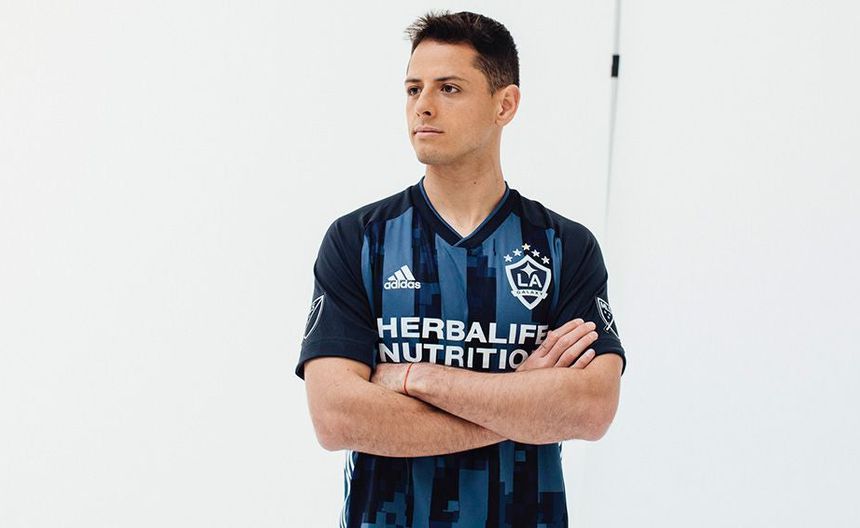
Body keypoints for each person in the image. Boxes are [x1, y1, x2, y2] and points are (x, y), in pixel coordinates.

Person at [295, 10, 626, 528]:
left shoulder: (564, 246)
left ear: (504, 104)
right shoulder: (360, 239)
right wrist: (521, 402)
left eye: (449, 88)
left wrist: (415, 377)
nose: (423, 106)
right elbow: (337, 417)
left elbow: (590, 409)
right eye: (413, 89)